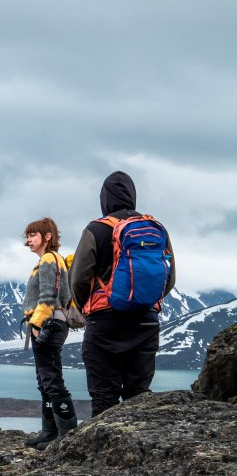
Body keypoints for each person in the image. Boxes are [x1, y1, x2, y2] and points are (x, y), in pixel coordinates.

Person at [69, 171, 177, 417]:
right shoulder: (155, 228)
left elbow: (78, 279)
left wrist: (85, 306)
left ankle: (102, 452)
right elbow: (169, 278)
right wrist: (145, 301)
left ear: (104, 199)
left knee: (103, 396)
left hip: (105, 323)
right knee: (138, 394)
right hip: (146, 322)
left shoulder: (95, 230)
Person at [21, 218, 76, 448]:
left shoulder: (49, 259)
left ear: (48, 236)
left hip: (49, 324)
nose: (28, 239)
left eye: (33, 234)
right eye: (27, 235)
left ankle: (66, 436)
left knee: (52, 379)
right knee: (45, 380)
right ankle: (49, 433)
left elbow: (48, 295)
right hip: (48, 324)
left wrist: (36, 323)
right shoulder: (51, 260)